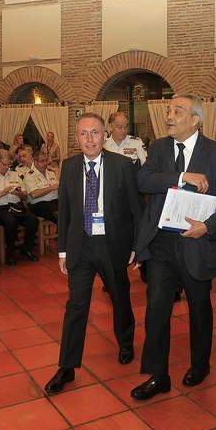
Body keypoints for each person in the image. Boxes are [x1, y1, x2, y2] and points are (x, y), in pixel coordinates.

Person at [131, 94, 216, 401]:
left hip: (198, 243)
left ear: (195, 119)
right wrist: (181, 177)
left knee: (199, 308)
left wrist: (209, 227)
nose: (169, 115)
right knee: (156, 310)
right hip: (161, 246)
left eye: (177, 111)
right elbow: (143, 181)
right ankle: (158, 376)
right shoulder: (158, 148)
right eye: (168, 110)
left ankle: (200, 365)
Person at [44, 113, 142, 395]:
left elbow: (137, 209)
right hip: (81, 247)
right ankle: (67, 366)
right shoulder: (70, 166)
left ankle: (125, 343)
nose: (89, 139)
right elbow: (65, 212)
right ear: (77, 138)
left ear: (104, 134)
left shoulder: (123, 165)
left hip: (114, 247)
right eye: (84, 134)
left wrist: (136, 246)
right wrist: (62, 251)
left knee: (120, 299)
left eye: (95, 133)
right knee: (75, 307)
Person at [0, 149, 38, 265]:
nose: (6, 167)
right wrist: (2, 193)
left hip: (16, 206)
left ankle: (27, 248)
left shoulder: (15, 174)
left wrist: (20, 194)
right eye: (4, 164)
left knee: (32, 220)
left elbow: (25, 195)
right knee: (11, 221)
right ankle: (10, 252)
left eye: (9, 164)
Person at [23, 150, 59, 223]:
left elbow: (58, 187)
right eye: (42, 161)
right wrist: (51, 188)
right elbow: (34, 194)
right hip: (39, 204)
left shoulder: (51, 173)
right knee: (59, 215)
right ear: (35, 162)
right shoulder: (29, 176)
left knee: (71, 208)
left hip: (55, 201)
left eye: (46, 160)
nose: (45, 163)